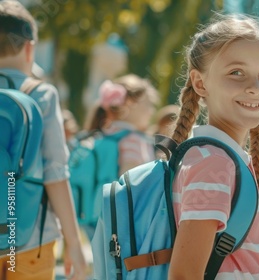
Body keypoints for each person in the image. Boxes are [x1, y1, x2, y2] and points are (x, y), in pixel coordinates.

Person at [167, 14, 259, 279]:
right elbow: (184, 275)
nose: (255, 87)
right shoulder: (213, 162)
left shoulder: (221, 158)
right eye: (236, 72)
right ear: (200, 83)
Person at [0, 1, 86, 279]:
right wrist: (73, 242)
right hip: (33, 239)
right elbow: (55, 173)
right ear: (30, 48)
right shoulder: (42, 94)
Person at [85, 74, 158, 175]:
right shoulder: (133, 140)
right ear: (129, 103)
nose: (151, 112)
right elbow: (129, 185)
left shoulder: (102, 135)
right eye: (148, 104)